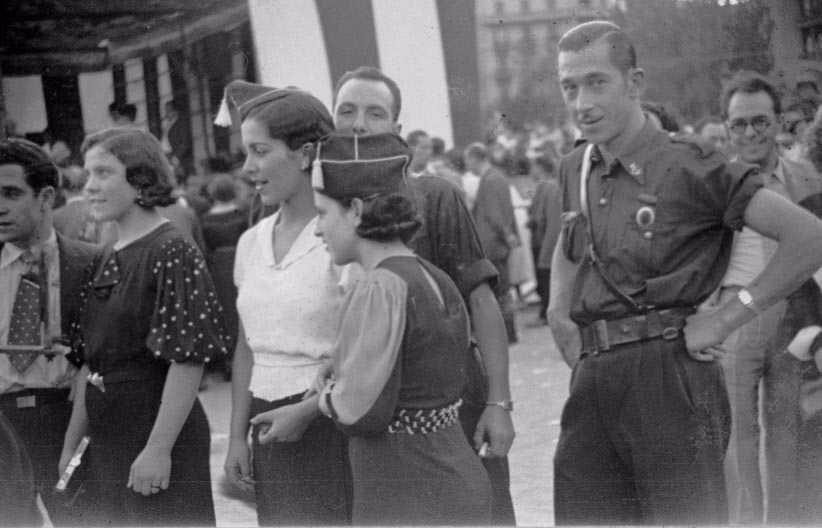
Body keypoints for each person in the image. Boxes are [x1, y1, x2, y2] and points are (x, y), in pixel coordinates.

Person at [546, 21, 822, 525]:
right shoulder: (574, 167)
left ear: (634, 82)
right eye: (570, 87)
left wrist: (724, 320)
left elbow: (808, 237)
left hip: (670, 378)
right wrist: (559, 314)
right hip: (594, 379)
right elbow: (569, 253)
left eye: (597, 82)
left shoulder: (692, 164)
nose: (582, 102)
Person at [332, 66, 516, 524]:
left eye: (374, 114)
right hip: (368, 416)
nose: (358, 125)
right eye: (346, 111)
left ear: (397, 129)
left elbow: (481, 302)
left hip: (447, 407)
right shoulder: (326, 208)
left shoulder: (432, 197)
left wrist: (499, 403)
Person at [305, 131, 491, 525]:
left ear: (356, 210)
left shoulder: (378, 286)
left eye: (322, 214)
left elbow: (359, 411)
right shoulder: (434, 275)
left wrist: (327, 394)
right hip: (451, 474)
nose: (318, 229)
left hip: (405, 486)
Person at [60, 128, 229, 526]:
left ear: (141, 179)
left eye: (103, 173)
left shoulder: (171, 250)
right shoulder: (106, 253)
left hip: (156, 431)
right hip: (110, 437)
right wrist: (72, 445)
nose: (89, 186)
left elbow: (187, 360)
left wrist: (158, 449)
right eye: (88, 173)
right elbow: (91, 364)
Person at [217, 80, 351, 526]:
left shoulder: (340, 237)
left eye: (260, 151)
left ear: (306, 154)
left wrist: (308, 412)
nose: (247, 167)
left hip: (331, 424)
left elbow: (365, 348)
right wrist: (237, 438)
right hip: (266, 425)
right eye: (246, 153)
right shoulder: (250, 242)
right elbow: (246, 348)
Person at [713, 71, 822, 524]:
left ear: (778, 121)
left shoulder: (807, 177)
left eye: (760, 121)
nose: (750, 132)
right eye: (739, 123)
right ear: (726, 128)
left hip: (794, 316)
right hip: (735, 317)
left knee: (788, 434)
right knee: (737, 437)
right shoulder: (713, 183)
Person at [0, 138, 99, 524]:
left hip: (67, 421)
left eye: (11, 194)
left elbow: (106, 354)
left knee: (83, 519)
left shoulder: (90, 263)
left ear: (45, 197)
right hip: (3, 427)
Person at [465, 142, 520, 344]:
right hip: (498, 244)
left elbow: (495, 214)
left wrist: (506, 235)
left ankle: (507, 333)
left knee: (500, 291)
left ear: (474, 158)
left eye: (467, 161)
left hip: (493, 245)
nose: (467, 166)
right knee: (503, 289)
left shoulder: (490, 180)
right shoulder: (496, 177)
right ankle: (509, 332)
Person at [527, 155, 562, 325]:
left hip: (545, 243)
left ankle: (546, 315)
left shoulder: (551, 188)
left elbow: (552, 221)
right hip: (539, 241)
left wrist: (547, 250)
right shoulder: (543, 187)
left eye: (534, 167)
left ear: (540, 168)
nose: (531, 171)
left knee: (546, 279)